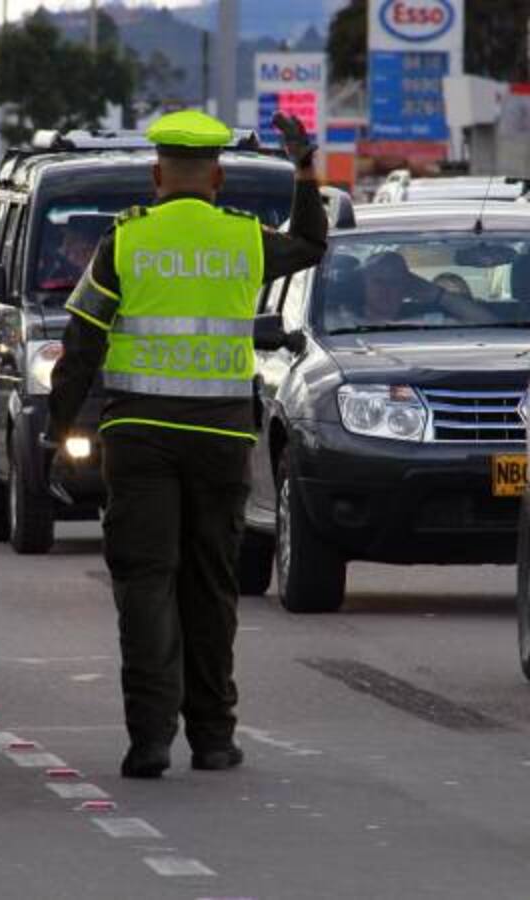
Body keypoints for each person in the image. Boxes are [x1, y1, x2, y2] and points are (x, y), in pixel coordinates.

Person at [46, 110, 328, 778]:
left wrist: (61, 433)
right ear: (218, 178)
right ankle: (212, 738)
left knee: (145, 586)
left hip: (138, 437)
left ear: (156, 173)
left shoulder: (127, 241)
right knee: (210, 585)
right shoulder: (244, 242)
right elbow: (313, 242)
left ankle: (148, 742)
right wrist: (306, 167)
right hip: (220, 437)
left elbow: (81, 341)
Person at [323, 251, 495, 331]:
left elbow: (490, 325)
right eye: (378, 282)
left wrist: (437, 294)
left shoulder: (430, 323)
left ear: (407, 288)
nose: (386, 290)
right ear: (363, 285)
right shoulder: (338, 324)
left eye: (395, 283)